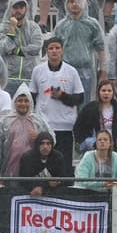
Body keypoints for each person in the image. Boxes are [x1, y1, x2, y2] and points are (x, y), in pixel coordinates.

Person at [30, 36, 84, 177]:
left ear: (62, 50)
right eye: (51, 48)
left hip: (65, 126)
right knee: (42, 163)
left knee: (64, 164)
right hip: (44, 125)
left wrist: (63, 96)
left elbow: (80, 98)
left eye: (57, 48)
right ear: (46, 51)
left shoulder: (71, 71)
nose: (54, 51)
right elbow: (32, 97)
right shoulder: (38, 70)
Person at [54, 0, 107, 109]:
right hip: (65, 70)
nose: (74, 4)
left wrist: (103, 70)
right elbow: (54, 48)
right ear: (66, 4)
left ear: (84, 3)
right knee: (65, 104)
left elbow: (100, 48)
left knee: (84, 104)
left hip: (86, 71)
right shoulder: (61, 25)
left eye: (78, 1)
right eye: (71, 1)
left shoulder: (92, 24)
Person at [0, 82, 55, 177]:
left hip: (34, 171)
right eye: (20, 100)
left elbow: (52, 140)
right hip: (9, 170)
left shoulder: (38, 121)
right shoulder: (4, 121)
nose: (23, 104)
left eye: (26, 101)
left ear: (30, 102)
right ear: (14, 102)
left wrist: (39, 138)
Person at [0, 0, 43, 96]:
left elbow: (36, 48)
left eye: (21, 7)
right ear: (10, 9)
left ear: (26, 9)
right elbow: (3, 48)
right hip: (9, 80)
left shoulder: (33, 27)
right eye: (15, 7)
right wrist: (11, 30)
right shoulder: (2, 27)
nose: (18, 10)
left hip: (30, 79)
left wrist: (15, 51)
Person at [74, 80, 117, 156]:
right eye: (103, 90)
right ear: (98, 92)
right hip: (94, 148)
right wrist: (86, 142)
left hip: (116, 149)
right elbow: (78, 127)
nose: (106, 93)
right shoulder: (89, 109)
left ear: (113, 93)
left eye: (109, 91)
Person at [19, 131, 66, 195]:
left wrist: (56, 183)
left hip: (53, 195)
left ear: (52, 145)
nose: (45, 147)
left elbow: (64, 180)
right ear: (37, 145)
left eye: (48, 144)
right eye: (42, 143)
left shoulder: (58, 157)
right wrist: (41, 186)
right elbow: (23, 182)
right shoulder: (27, 158)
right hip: (30, 195)